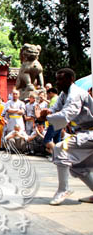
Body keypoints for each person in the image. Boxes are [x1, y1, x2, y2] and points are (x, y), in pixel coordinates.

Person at [38, 68, 93, 205]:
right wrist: (47, 112)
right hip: (84, 133)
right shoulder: (64, 94)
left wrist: (46, 117)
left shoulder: (75, 94)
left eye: (60, 79)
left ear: (70, 79)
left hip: (90, 133)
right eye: (57, 79)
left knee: (60, 148)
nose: (57, 82)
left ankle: (64, 189)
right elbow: (56, 109)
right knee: (78, 167)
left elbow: (67, 115)